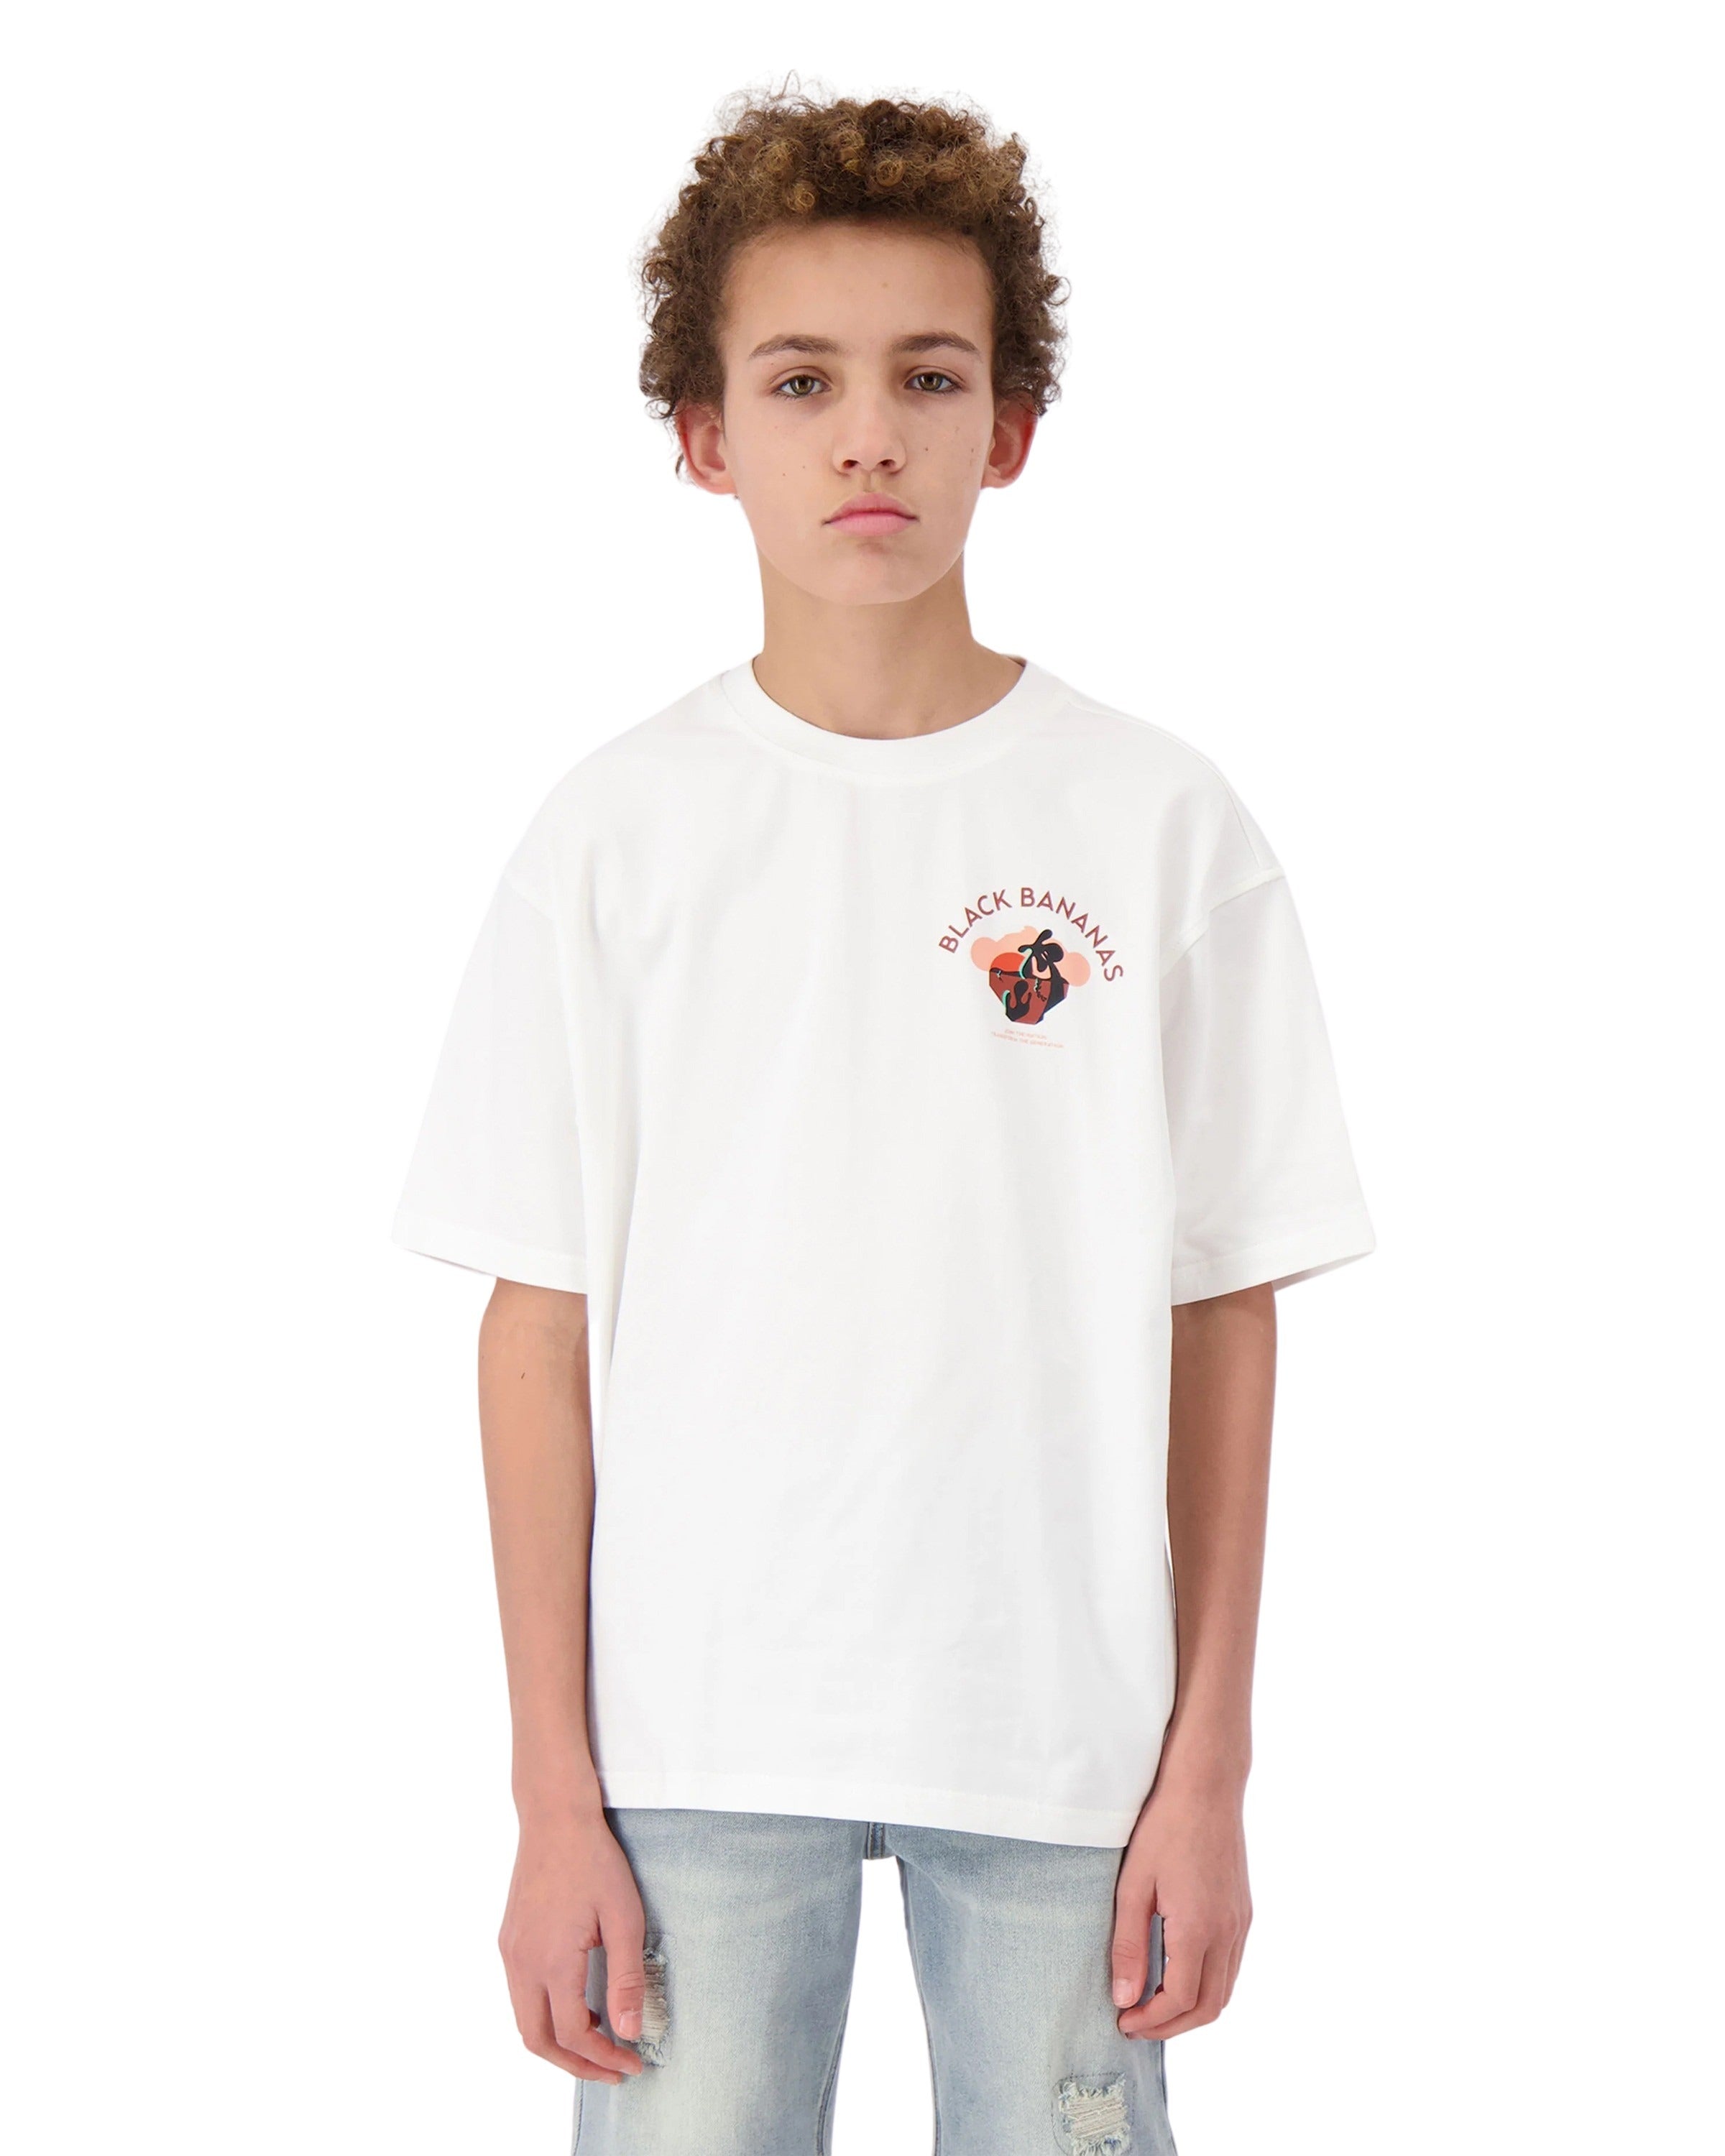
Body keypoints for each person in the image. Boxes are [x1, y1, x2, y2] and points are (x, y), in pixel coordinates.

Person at [392, 86, 1374, 2156]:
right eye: (800, 381)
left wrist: (1210, 1769)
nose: (867, 437)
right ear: (703, 436)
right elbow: (538, 1328)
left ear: (1008, 427)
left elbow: (1223, 1312)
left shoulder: (1158, 825)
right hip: (691, 1745)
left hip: (1064, 1745)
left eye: (929, 378)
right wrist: (549, 1795)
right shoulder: (616, 838)